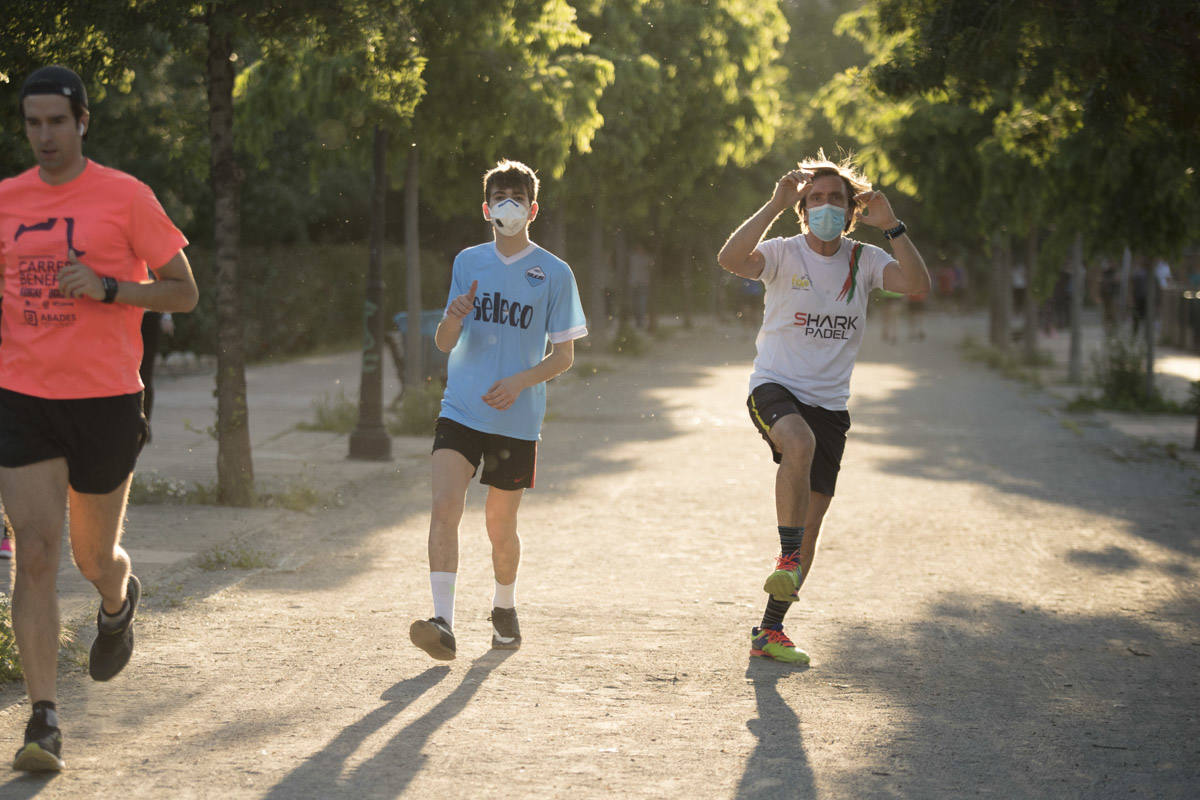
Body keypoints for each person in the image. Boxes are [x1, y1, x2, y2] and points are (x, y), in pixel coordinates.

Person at [0, 66, 198, 771]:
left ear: (82, 122)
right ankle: (43, 720)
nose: (45, 135)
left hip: (106, 399)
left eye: (57, 121)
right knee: (36, 553)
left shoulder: (125, 197)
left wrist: (111, 288)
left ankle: (116, 600)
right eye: (33, 123)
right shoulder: (7, 201)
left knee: (91, 558)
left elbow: (184, 292)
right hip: (22, 397)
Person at [716, 151, 930, 664]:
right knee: (799, 442)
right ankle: (786, 556)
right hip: (775, 387)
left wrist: (893, 226)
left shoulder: (865, 260)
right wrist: (774, 204)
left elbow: (917, 285)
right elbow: (731, 259)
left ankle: (770, 631)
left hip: (830, 405)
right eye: (816, 198)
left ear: (853, 210)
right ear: (804, 208)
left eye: (837, 198)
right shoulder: (783, 253)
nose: (827, 205)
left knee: (811, 524)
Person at [409, 159, 587, 661]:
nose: (508, 205)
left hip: (517, 418)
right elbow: (445, 342)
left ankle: (504, 605)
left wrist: (519, 382)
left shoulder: (554, 272)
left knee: (499, 527)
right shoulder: (468, 262)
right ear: (486, 209)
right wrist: (453, 317)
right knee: (445, 506)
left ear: (533, 209)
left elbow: (565, 356)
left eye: (517, 198)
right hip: (461, 408)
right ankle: (442, 621)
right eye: (499, 197)